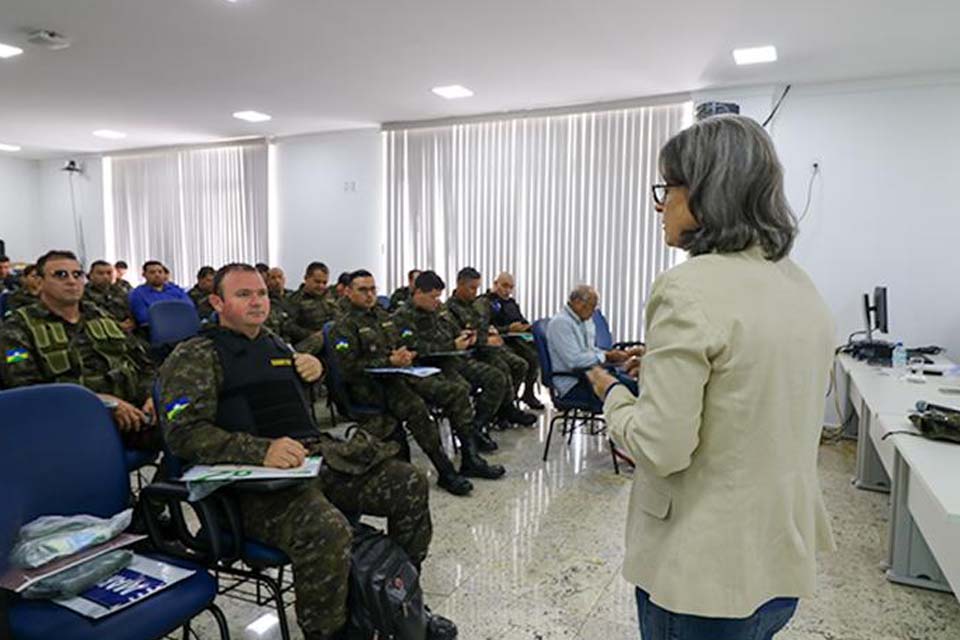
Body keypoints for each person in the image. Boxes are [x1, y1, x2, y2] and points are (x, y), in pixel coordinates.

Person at [585, 115, 835, 640]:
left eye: (668, 187)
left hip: (702, 571)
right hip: (776, 556)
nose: (659, 204)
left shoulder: (687, 288)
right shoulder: (798, 284)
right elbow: (751, 388)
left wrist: (614, 396)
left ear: (704, 191)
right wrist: (659, 367)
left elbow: (661, 447)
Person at [158, 263, 455, 640]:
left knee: (408, 482)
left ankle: (400, 602)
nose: (257, 302)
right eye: (243, 294)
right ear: (217, 301)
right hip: (247, 487)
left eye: (262, 293)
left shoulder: (276, 345)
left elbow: (291, 410)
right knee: (326, 527)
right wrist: (260, 450)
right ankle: (329, 633)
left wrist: (314, 371)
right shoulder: (196, 355)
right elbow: (182, 433)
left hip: (310, 461)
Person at [331, 270, 504, 495]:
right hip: (370, 385)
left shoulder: (382, 317)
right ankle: (445, 470)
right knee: (416, 409)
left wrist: (403, 356)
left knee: (456, 391)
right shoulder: (342, 325)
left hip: (398, 375)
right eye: (362, 290)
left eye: (373, 289)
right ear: (348, 292)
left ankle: (470, 457)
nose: (369, 295)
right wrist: (389, 360)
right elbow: (347, 369)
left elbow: (401, 346)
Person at [0, 250, 158, 449]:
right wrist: (103, 403)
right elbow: (27, 389)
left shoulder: (100, 316)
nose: (72, 281)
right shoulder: (18, 326)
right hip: (69, 422)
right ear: (39, 282)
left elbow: (142, 362)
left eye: (77, 275)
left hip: (131, 414)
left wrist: (150, 396)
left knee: (183, 425)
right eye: (60, 275)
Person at [393, 271, 535, 442]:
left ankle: (479, 426)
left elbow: (453, 332)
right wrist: (454, 344)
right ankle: (474, 434)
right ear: (418, 292)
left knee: (500, 373)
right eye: (433, 297)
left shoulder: (436, 311)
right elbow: (416, 348)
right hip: (427, 366)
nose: (437, 301)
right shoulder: (402, 317)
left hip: (453, 358)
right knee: (478, 383)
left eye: (438, 297)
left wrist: (467, 336)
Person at [445, 267, 536, 427]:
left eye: (477, 288)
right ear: (459, 285)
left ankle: (506, 408)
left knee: (516, 364)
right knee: (499, 374)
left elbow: (481, 326)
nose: (475, 292)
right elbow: (461, 335)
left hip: (483, 349)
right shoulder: (450, 309)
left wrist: (489, 332)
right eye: (471, 288)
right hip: (466, 354)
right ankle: (481, 423)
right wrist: (486, 337)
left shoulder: (472, 305)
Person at [547, 285, 642, 404]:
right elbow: (574, 361)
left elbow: (589, 350)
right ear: (577, 302)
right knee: (632, 391)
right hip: (575, 383)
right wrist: (605, 357)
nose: (593, 312)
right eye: (592, 306)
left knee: (636, 388)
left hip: (590, 377)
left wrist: (609, 355)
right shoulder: (561, 323)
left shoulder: (583, 321)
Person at [478, 272, 544, 409]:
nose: (507, 290)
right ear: (495, 284)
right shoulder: (485, 303)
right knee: (519, 363)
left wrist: (525, 326)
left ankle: (528, 393)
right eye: (504, 286)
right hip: (498, 341)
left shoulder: (511, 303)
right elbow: (486, 329)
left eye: (511, 287)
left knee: (535, 355)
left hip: (515, 339)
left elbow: (521, 319)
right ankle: (508, 402)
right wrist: (508, 328)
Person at [286, 262, 338, 353]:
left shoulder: (330, 295)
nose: (321, 286)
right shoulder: (295, 299)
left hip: (333, 341)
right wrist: (312, 334)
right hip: (308, 343)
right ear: (306, 279)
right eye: (317, 282)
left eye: (324, 282)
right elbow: (289, 327)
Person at [128, 260, 192, 326]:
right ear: (144, 275)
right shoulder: (137, 294)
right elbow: (144, 318)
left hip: (184, 326)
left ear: (164, 274)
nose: (157, 275)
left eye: (160, 272)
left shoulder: (175, 289)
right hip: (157, 329)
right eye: (152, 272)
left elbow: (189, 308)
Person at [84, 260, 136, 332]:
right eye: (100, 273)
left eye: (109, 273)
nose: (105, 276)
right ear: (90, 275)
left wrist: (132, 320)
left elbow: (134, 305)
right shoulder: (83, 292)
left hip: (129, 330)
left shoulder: (123, 288)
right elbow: (91, 312)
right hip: (101, 330)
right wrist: (117, 324)